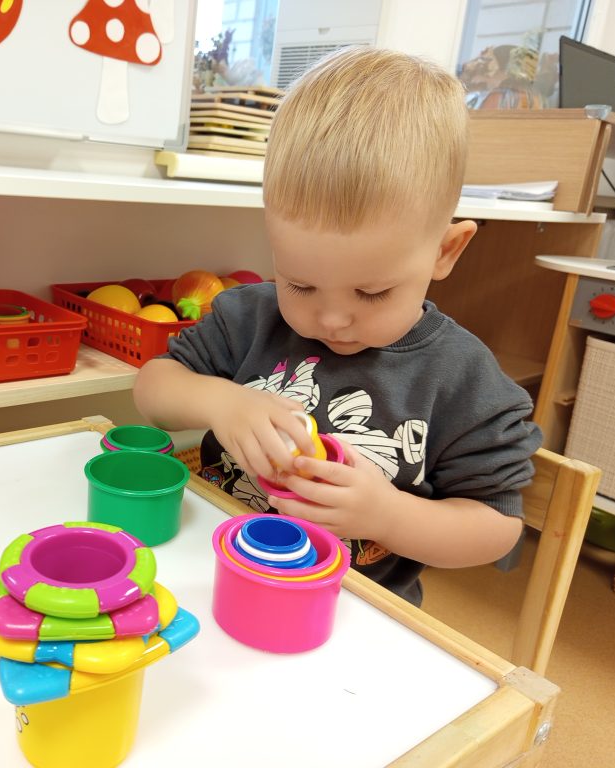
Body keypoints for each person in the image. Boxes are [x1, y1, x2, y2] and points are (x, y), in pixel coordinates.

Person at [133, 46, 543, 606]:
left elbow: (496, 528)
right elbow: (153, 388)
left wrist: (386, 515)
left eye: (372, 292)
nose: (330, 318)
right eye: (299, 283)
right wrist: (219, 402)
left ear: (446, 251)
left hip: (347, 610)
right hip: (214, 574)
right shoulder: (249, 317)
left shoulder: (464, 380)